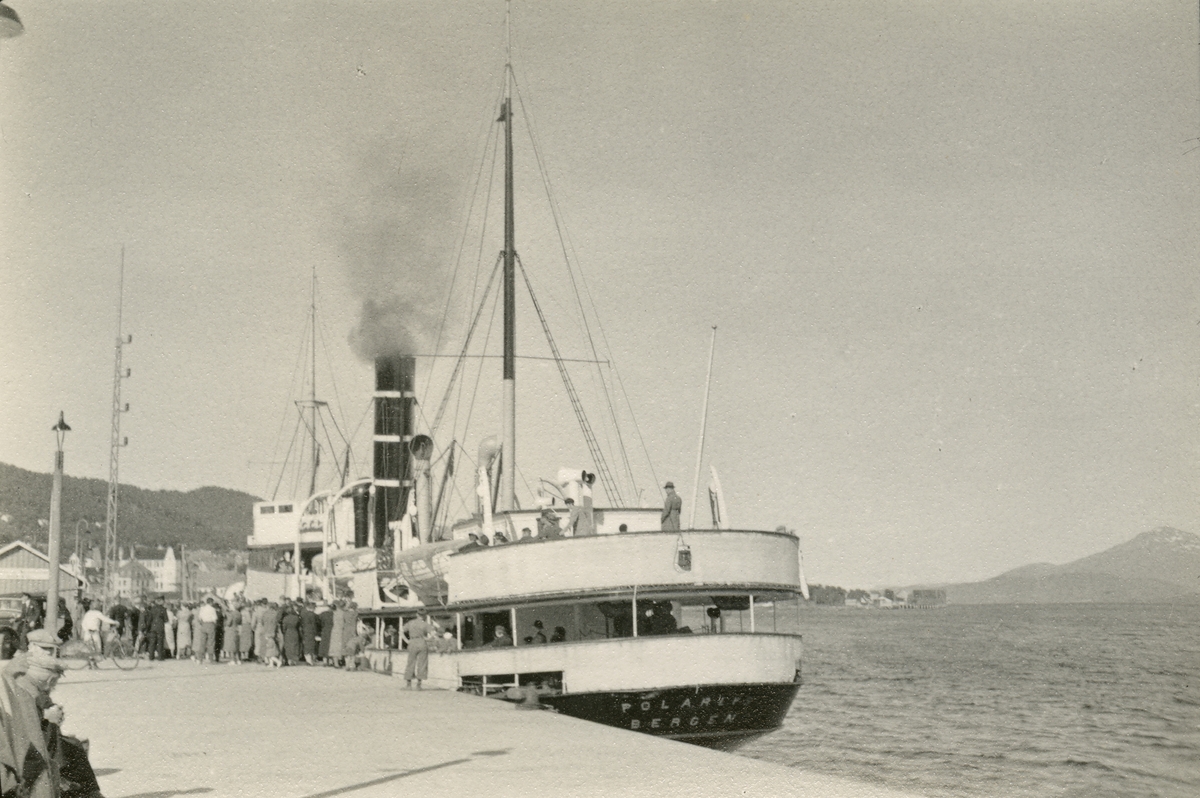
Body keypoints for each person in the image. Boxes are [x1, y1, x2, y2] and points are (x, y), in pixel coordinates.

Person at [400, 611, 436, 689]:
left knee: (410, 662)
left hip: (412, 642)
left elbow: (401, 631)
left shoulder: (411, 623)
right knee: (422, 663)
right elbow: (433, 634)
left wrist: (406, 641)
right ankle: (418, 685)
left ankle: (408, 685)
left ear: (417, 614)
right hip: (422, 642)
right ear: (424, 615)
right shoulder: (425, 624)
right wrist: (427, 639)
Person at [195, 598, 219, 663]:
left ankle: (200, 659)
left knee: (202, 642)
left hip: (204, 625)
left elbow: (199, 619)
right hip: (210, 624)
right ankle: (211, 659)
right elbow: (214, 619)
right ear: (211, 602)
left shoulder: (202, 609)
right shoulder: (213, 609)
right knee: (211, 642)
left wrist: (202, 624)